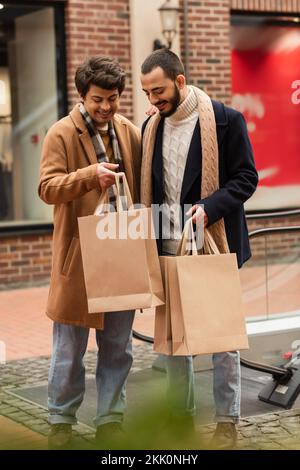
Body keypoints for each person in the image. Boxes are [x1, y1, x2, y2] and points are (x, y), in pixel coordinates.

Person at [140, 48, 258, 449]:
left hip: (212, 243)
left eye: (158, 91)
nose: (153, 101)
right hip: (167, 246)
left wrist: (208, 209)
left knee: (221, 339)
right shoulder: (150, 127)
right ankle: (180, 416)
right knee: (174, 342)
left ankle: (227, 418)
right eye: (146, 93)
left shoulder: (226, 120)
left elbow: (246, 178)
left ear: (179, 81)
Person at [38, 56, 141, 449]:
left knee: (119, 348)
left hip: (121, 255)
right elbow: (47, 187)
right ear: (82, 96)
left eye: (113, 98)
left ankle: (110, 420)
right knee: (69, 351)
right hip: (79, 259)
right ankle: (60, 420)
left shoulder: (128, 130)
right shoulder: (60, 133)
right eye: (98, 99)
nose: (106, 107)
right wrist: (88, 176)